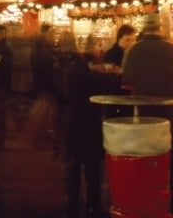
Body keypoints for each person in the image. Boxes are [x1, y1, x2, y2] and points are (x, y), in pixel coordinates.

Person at [120, 13, 173, 214]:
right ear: (160, 29)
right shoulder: (172, 49)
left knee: (149, 163)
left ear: (143, 30)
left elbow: (127, 77)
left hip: (146, 117)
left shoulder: (134, 51)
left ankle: (151, 205)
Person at [57, 31, 107, 218]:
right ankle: (91, 206)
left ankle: (77, 205)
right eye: (97, 46)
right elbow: (95, 90)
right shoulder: (83, 68)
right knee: (89, 166)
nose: (99, 50)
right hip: (86, 121)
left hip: (78, 121)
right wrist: (104, 75)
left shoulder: (77, 66)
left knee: (79, 165)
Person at [30, 23, 60, 148]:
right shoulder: (41, 46)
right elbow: (43, 64)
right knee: (43, 110)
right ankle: (40, 139)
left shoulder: (42, 45)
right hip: (45, 82)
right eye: (52, 32)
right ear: (46, 32)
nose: (54, 34)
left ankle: (42, 136)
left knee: (46, 110)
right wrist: (54, 63)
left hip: (44, 81)